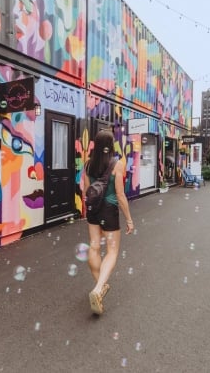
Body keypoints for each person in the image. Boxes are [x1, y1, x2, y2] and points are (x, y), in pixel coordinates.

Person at [83, 130, 134, 315]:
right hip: (109, 210)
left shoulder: (88, 164)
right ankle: (98, 289)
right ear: (111, 145)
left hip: (93, 209)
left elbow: (86, 192)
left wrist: (88, 209)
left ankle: (99, 286)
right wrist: (129, 219)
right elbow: (120, 195)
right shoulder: (117, 164)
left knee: (94, 246)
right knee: (112, 251)